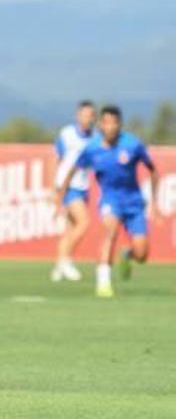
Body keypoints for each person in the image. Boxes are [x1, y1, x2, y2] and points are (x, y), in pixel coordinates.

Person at [56, 105, 160, 298]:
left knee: (142, 254)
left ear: (119, 125)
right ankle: (103, 283)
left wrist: (155, 202)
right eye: (106, 122)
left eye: (114, 123)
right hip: (110, 200)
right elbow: (72, 171)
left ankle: (128, 254)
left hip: (134, 202)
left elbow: (152, 170)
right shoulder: (92, 148)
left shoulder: (132, 144)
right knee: (110, 232)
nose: (110, 127)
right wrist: (60, 198)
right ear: (100, 125)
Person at [50, 100, 97, 282]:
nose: (87, 119)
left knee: (70, 228)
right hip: (68, 186)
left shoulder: (95, 138)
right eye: (84, 115)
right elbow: (55, 159)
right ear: (78, 116)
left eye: (90, 115)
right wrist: (54, 187)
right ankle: (66, 261)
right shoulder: (67, 134)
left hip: (83, 185)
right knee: (83, 222)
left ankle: (58, 267)